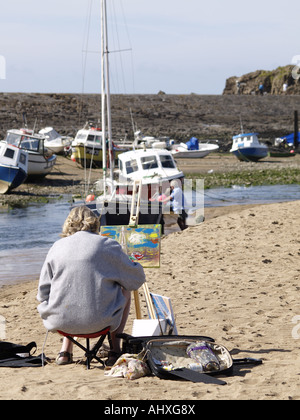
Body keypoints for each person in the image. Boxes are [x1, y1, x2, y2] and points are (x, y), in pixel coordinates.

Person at [37, 205, 145, 367]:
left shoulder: (56, 247)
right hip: (101, 322)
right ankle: (115, 349)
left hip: (60, 322)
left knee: (69, 290)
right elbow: (136, 280)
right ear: (94, 222)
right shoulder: (108, 244)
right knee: (125, 289)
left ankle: (65, 351)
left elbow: (42, 293)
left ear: (68, 224)